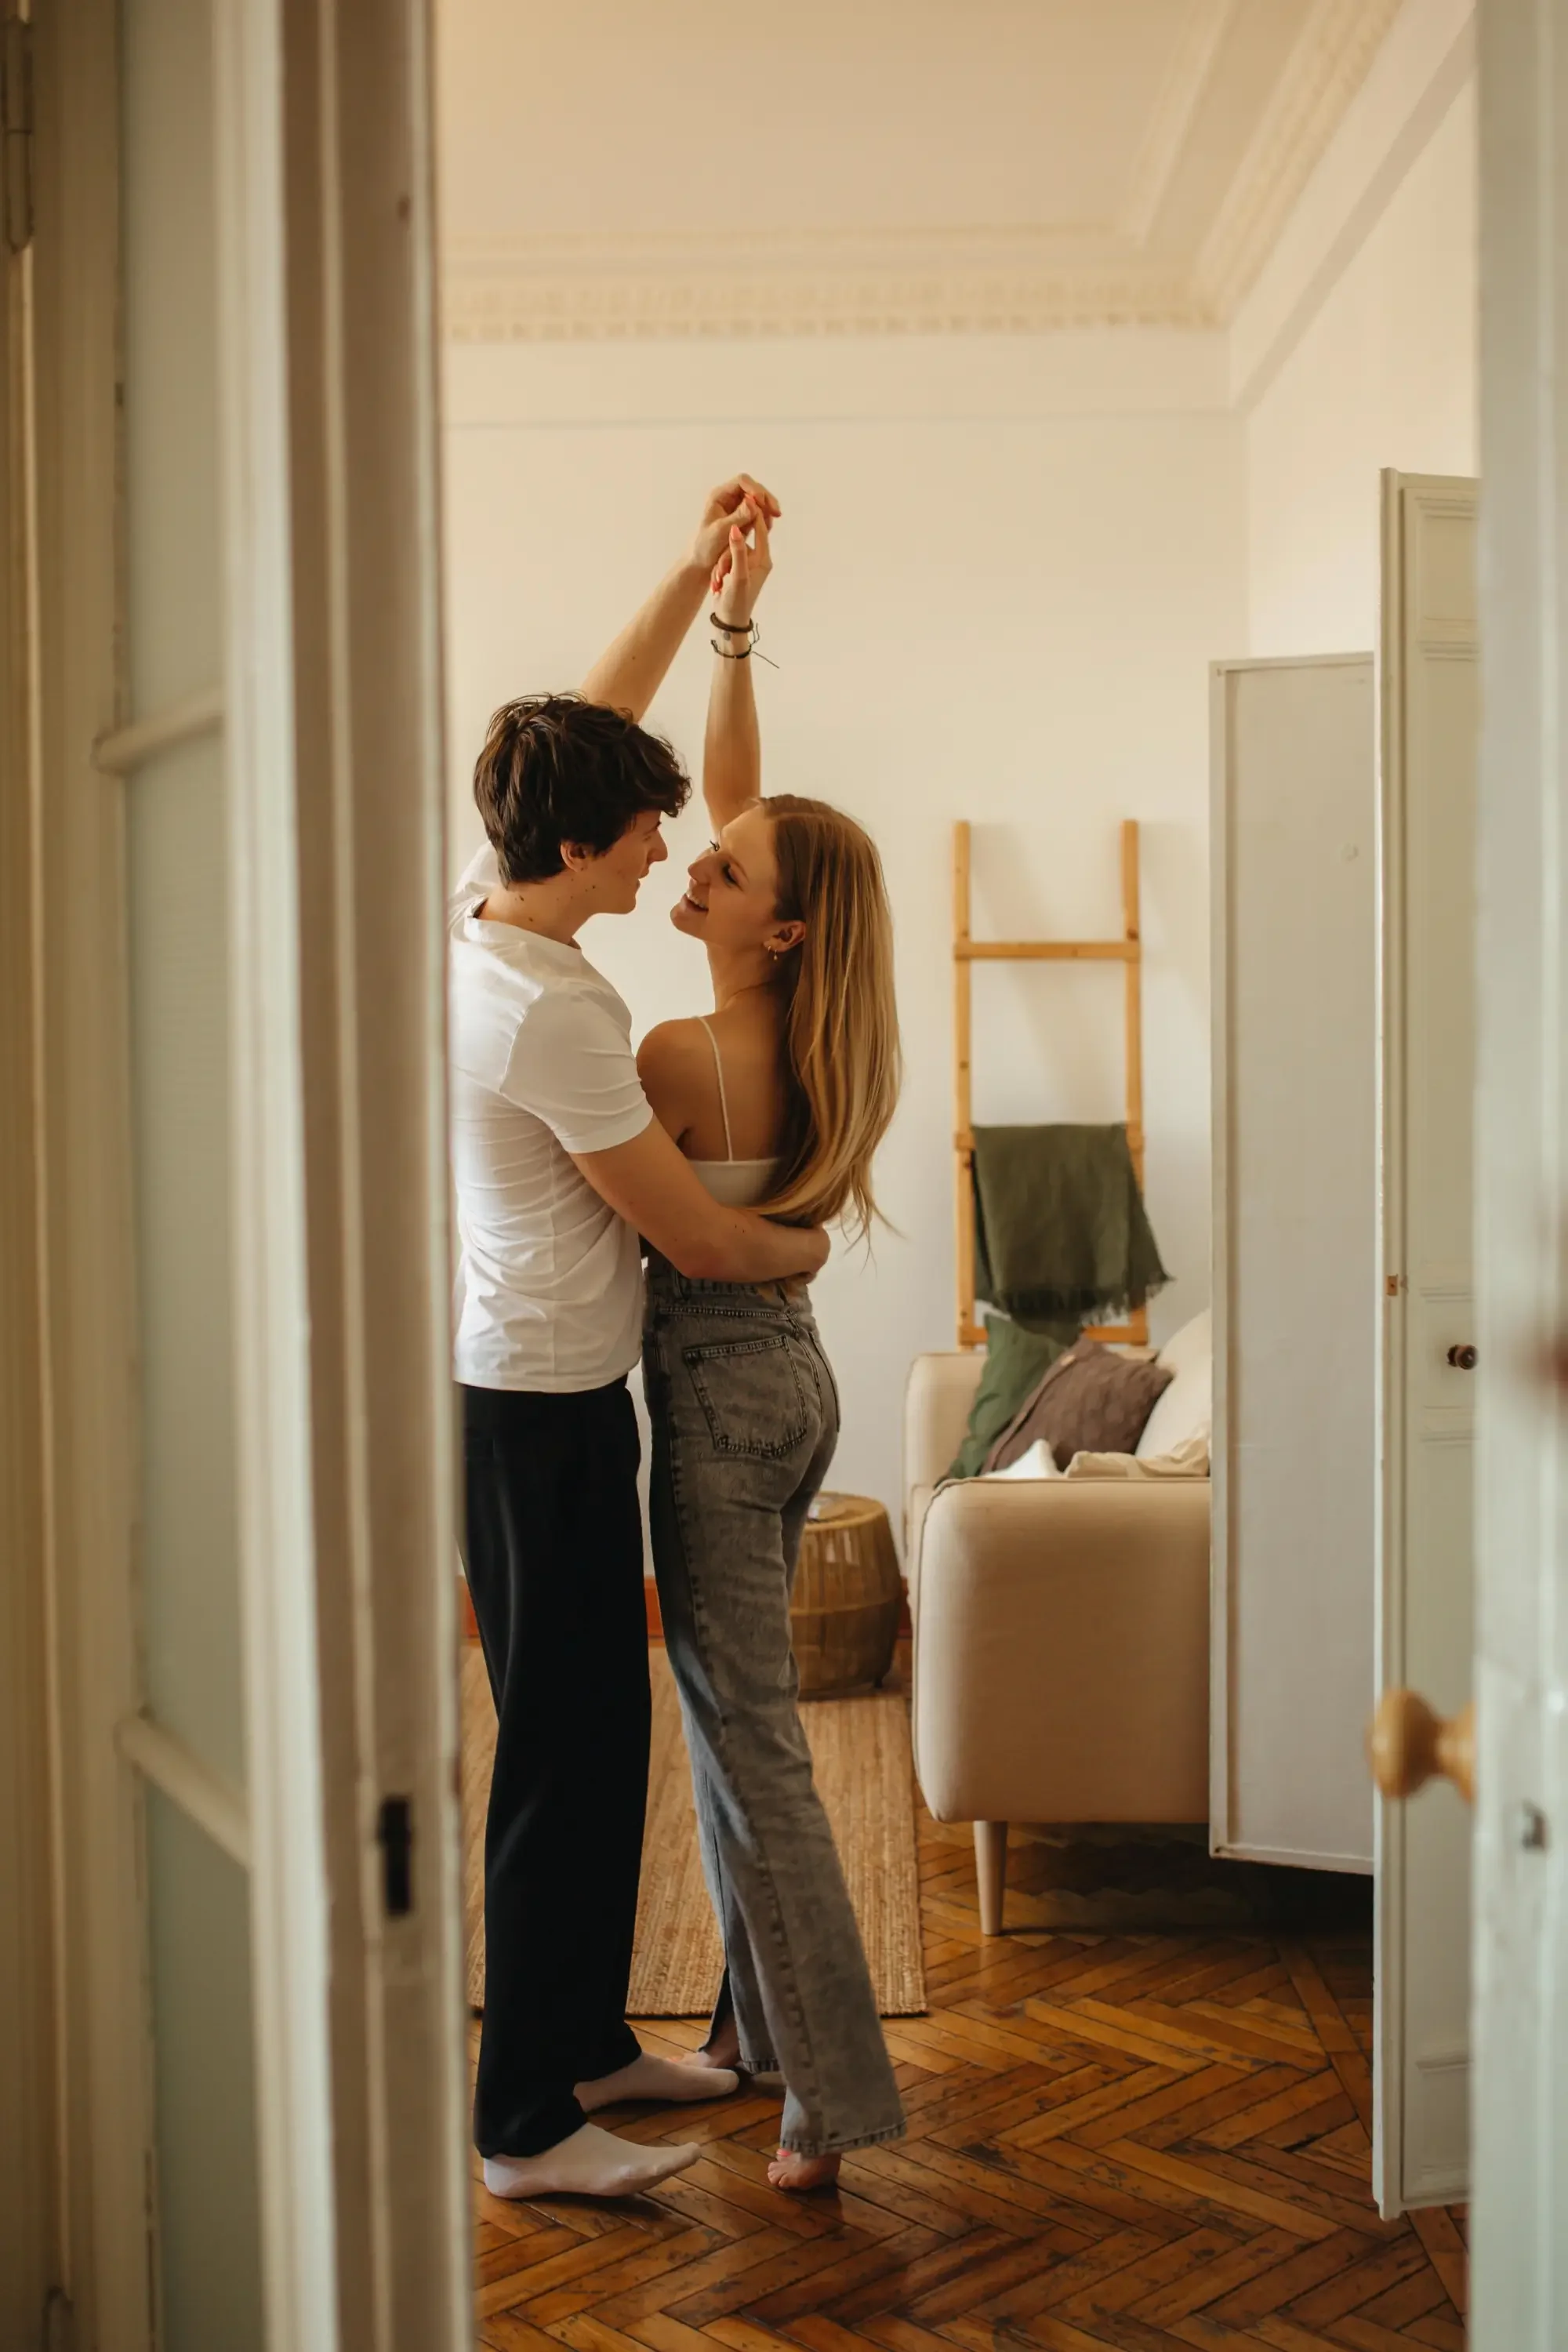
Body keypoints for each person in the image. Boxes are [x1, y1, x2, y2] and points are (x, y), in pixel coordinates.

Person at [451, 476, 833, 2204]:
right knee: (560, 1746)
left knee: (593, 1733)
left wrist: (699, 578)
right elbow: (689, 1238)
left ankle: (588, 2040)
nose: (666, 853)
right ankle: (526, 2123)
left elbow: (590, 724)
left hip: (537, 1393)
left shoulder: (489, 911)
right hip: (536, 1408)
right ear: (584, 848)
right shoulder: (561, 1021)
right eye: (646, 835)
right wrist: (810, 1234)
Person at [636, 501, 907, 2190]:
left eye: (724, 872)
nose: (693, 859)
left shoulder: (674, 1057)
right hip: (786, 1375)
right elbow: (756, 809)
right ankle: (751, 2031)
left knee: (752, 1744)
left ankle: (830, 2092)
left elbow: (669, 1234)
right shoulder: (802, 1034)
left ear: (776, 928)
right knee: (726, 1714)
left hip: (720, 1392)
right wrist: (732, 626)